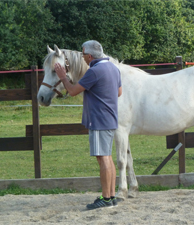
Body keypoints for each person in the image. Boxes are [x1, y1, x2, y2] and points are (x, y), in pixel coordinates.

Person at [54, 40, 122, 210]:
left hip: (98, 120)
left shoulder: (94, 71)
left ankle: (106, 198)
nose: (83, 57)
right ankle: (111, 195)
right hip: (110, 118)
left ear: (90, 56)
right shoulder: (113, 68)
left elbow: (72, 90)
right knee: (107, 157)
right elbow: (119, 92)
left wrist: (63, 77)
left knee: (103, 158)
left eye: (83, 54)